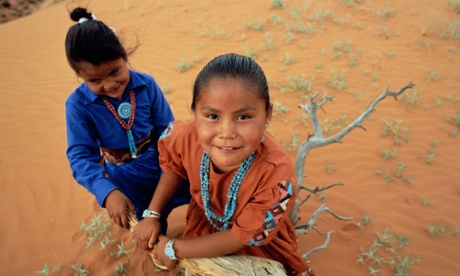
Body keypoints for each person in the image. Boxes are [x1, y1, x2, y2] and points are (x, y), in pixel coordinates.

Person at [133, 53, 314, 275]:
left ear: (268, 114)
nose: (226, 133)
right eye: (212, 116)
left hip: (255, 246)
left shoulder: (277, 179)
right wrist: (153, 214)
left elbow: (239, 237)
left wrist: (173, 248)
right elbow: (173, 166)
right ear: (195, 113)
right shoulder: (185, 136)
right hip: (203, 228)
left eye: (244, 117)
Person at [64, 7, 190, 233]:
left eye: (115, 71)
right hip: (125, 178)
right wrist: (107, 191)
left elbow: (168, 132)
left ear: (124, 56)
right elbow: (80, 156)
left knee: (199, 193)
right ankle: (159, 250)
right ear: (79, 76)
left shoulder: (147, 85)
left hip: (162, 162)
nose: (109, 84)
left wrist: (174, 164)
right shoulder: (77, 105)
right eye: (95, 80)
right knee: (149, 225)